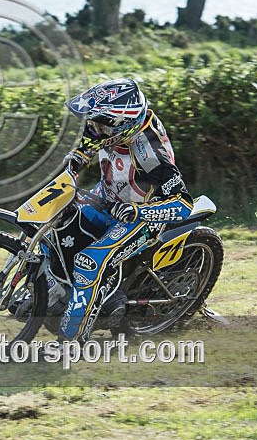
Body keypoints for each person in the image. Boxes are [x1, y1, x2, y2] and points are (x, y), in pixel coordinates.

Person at [47, 78, 195, 341]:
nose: (93, 129)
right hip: (107, 197)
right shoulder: (112, 126)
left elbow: (184, 204)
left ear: (122, 126)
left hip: (143, 216)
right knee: (55, 219)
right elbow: (90, 141)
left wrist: (139, 213)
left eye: (99, 125)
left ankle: (71, 341)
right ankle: (50, 295)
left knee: (89, 262)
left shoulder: (150, 154)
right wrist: (76, 160)